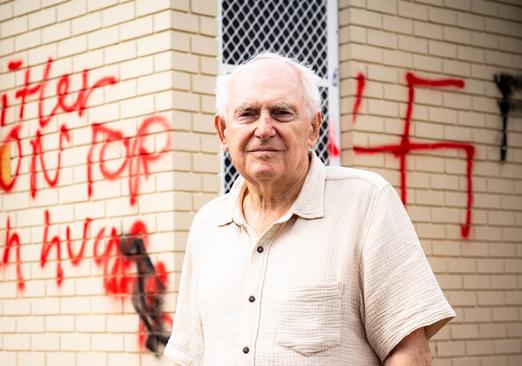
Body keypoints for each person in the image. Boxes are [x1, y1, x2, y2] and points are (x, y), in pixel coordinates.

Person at [163, 52, 455, 365]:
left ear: (314, 128)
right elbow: (187, 356)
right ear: (223, 132)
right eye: (247, 114)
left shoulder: (367, 202)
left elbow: (408, 352)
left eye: (281, 113)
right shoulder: (207, 225)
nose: (264, 129)